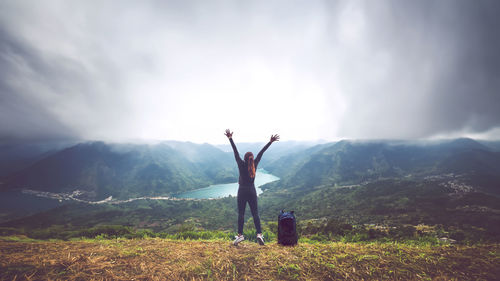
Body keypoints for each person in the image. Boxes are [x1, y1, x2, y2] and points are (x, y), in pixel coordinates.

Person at [224, 129, 279, 246]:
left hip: (242, 190)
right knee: (255, 213)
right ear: (252, 159)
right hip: (252, 191)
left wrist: (230, 138)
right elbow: (261, 153)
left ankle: (240, 235)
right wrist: (270, 142)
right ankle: (259, 234)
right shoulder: (255, 164)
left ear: (244, 159)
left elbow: (235, 152)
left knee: (241, 214)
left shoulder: (241, 164)